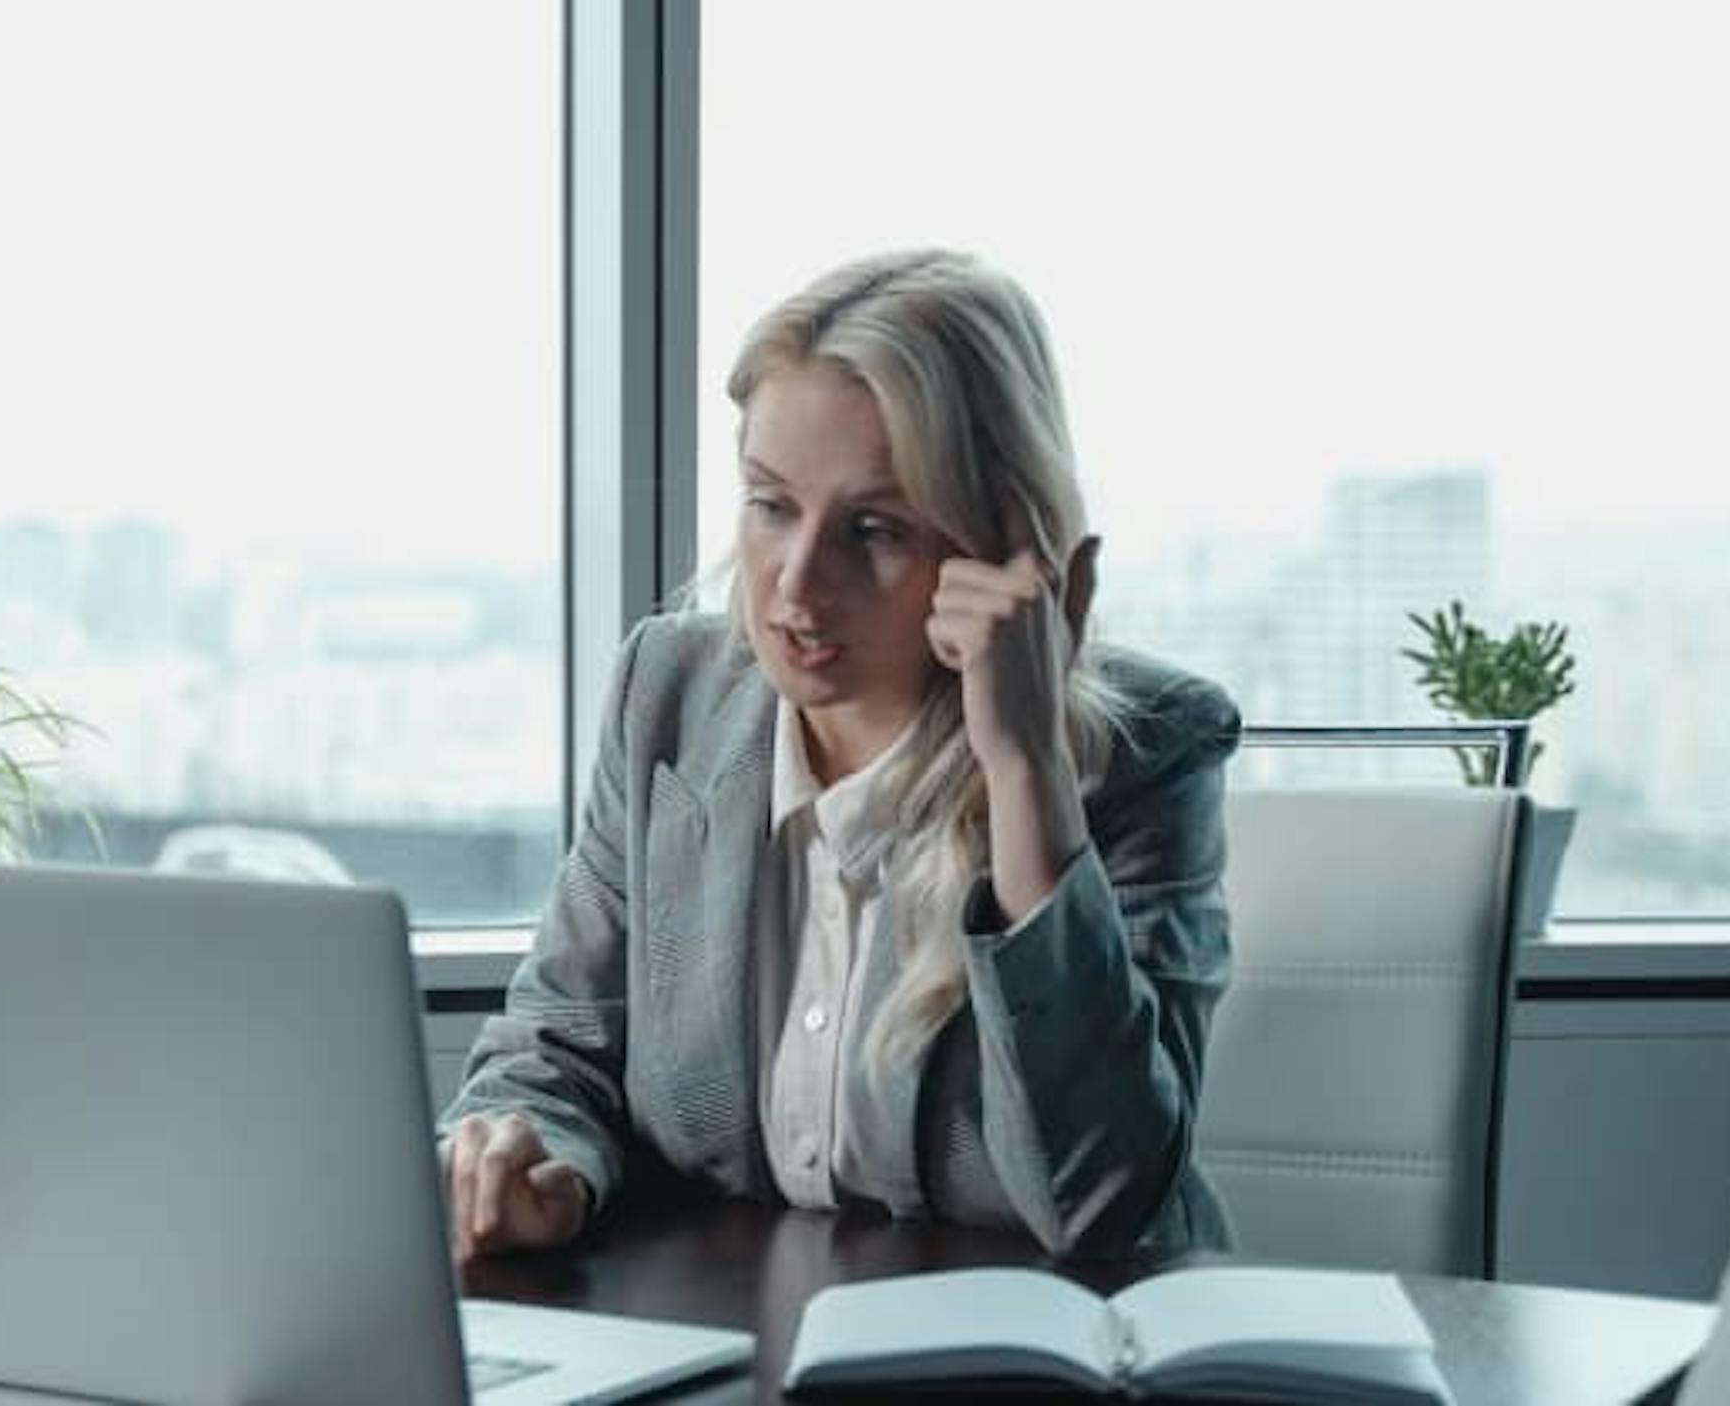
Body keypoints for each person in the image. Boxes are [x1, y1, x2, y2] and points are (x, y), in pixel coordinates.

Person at [439, 248, 1240, 1262]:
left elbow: (1104, 1202)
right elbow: (558, 1051)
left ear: (1004, 546)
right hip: (735, 1348)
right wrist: (529, 1157)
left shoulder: (1144, 751)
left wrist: (1027, 771)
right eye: (771, 505)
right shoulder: (671, 699)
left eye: (875, 528)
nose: (796, 588)